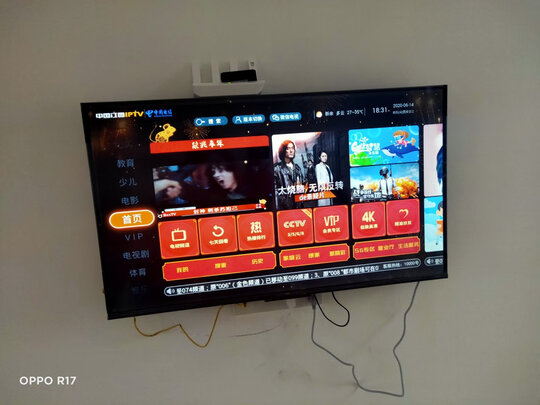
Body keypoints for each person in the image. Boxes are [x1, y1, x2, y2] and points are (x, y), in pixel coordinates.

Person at [274, 140, 304, 209]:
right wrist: (284, 202)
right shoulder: (277, 169)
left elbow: (301, 188)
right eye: (288, 148)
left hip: (298, 206)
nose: (291, 151)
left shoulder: (297, 168)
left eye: (292, 148)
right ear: (283, 150)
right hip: (284, 208)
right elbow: (275, 192)